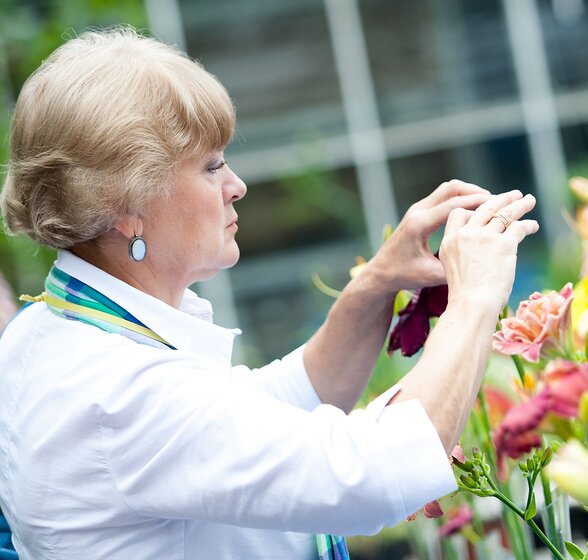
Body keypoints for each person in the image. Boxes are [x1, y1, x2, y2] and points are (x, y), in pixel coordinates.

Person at [0, 27, 539, 560]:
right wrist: (474, 298)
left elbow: (262, 408)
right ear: (124, 204)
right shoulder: (125, 392)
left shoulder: (47, 335)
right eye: (211, 166)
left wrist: (377, 282)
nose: (236, 185)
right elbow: (373, 474)